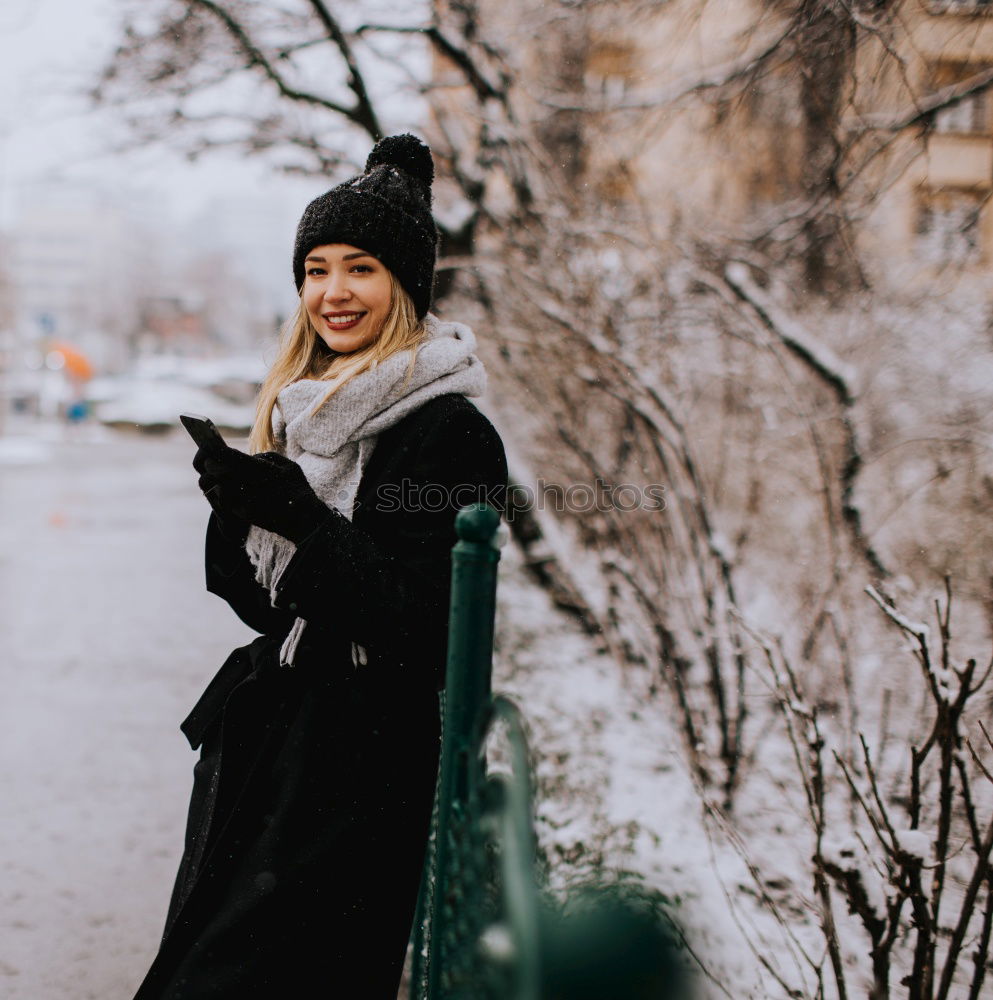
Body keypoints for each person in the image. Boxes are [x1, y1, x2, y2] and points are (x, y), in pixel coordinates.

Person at [133, 133, 508, 999]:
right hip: (277, 738)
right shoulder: (310, 412)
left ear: (406, 285)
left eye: (361, 268)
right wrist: (237, 512)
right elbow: (265, 609)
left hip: (361, 767)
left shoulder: (444, 430)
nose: (332, 293)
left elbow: (422, 621)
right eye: (315, 270)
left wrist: (297, 517)